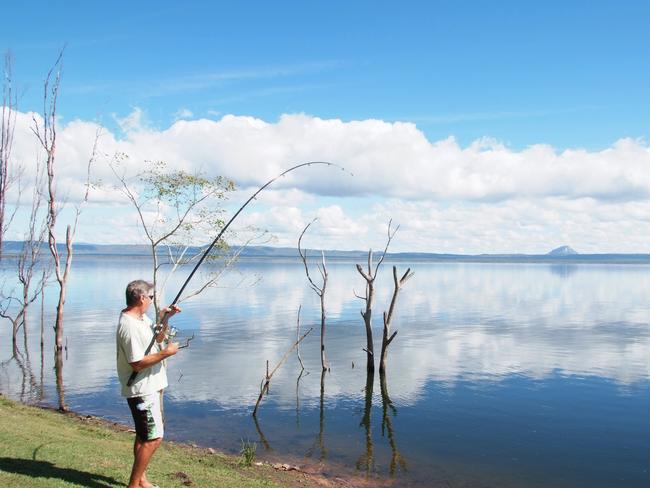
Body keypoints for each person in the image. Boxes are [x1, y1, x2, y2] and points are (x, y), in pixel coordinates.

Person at [116, 279, 180, 488]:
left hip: (149, 387)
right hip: (142, 391)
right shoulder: (129, 326)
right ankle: (133, 485)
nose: (152, 301)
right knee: (153, 438)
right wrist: (166, 353)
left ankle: (141, 480)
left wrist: (164, 318)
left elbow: (158, 336)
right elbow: (136, 363)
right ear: (142, 298)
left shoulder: (141, 318)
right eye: (150, 297)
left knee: (144, 436)